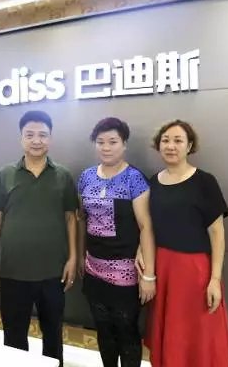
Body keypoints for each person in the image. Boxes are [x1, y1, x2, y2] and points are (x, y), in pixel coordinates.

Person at [0, 110, 78, 366]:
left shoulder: (63, 175)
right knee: (14, 338)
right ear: (21, 138)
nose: (36, 140)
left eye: (42, 135)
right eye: (30, 135)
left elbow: (71, 219)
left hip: (53, 273)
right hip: (14, 273)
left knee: (53, 336)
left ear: (50, 138)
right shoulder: (4, 175)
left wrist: (73, 258)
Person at [140, 119, 228, 367]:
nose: (171, 146)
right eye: (165, 140)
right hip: (163, 269)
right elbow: (148, 225)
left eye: (178, 140)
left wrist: (215, 279)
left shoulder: (205, 182)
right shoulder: (152, 182)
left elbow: (217, 233)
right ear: (158, 145)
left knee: (199, 335)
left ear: (189, 146)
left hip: (195, 272)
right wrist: (141, 251)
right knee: (171, 334)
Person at [76, 117, 156, 367]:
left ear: (124, 144)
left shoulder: (135, 179)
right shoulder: (86, 177)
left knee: (126, 329)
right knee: (103, 329)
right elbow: (82, 220)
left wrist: (149, 275)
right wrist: (80, 256)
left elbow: (146, 227)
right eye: (100, 142)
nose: (106, 147)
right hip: (93, 268)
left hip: (126, 272)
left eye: (113, 141)